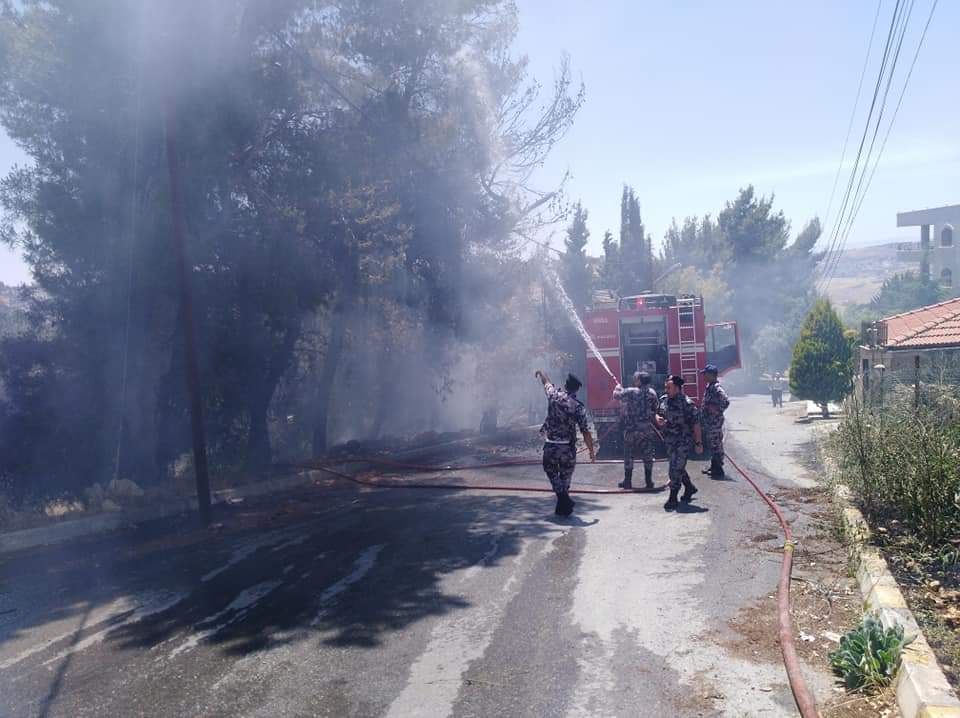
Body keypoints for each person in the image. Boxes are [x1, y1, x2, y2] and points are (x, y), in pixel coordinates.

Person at [535, 369, 596, 516]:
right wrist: (591, 451)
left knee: (550, 471)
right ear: (577, 389)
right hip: (567, 449)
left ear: (565, 385)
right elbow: (585, 431)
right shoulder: (578, 407)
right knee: (565, 476)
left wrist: (541, 372)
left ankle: (563, 503)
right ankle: (564, 500)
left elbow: (546, 383)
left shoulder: (553, 395)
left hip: (551, 445)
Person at [655, 375, 703, 510]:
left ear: (677, 388)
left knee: (675, 468)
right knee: (678, 466)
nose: (666, 390)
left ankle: (673, 497)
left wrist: (698, 443)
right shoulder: (664, 400)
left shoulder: (687, 403)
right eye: (665, 387)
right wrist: (658, 418)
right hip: (669, 440)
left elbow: (696, 424)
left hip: (683, 441)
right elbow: (657, 413)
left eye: (668, 387)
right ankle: (689, 487)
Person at [613, 371, 659, 490]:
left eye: (636, 378)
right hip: (647, 429)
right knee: (648, 455)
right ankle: (649, 482)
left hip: (632, 429)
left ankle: (627, 482)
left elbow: (616, 396)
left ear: (639, 380)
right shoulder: (653, 393)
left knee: (629, 455)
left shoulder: (631, 391)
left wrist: (617, 388)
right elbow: (655, 409)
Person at [700, 364, 730, 479]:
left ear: (711, 375)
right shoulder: (710, 386)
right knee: (712, 444)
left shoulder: (717, 388)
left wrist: (717, 409)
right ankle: (713, 467)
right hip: (709, 422)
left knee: (716, 445)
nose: (704, 376)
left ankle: (718, 470)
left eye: (705, 374)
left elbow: (726, 401)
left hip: (714, 423)